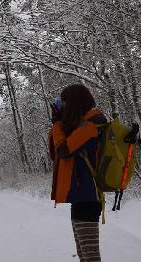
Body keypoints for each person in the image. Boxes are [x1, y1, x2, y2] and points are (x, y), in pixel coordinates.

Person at [48, 84, 107, 262]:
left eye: (64, 102)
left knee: (90, 257)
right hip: (81, 199)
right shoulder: (80, 126)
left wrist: (58, 125)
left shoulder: (91, 126)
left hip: (88, 198)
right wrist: (58, 125)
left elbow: (64, 151)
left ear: (73, 103)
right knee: (84, 254)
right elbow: (54, 154)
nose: (62, 106)